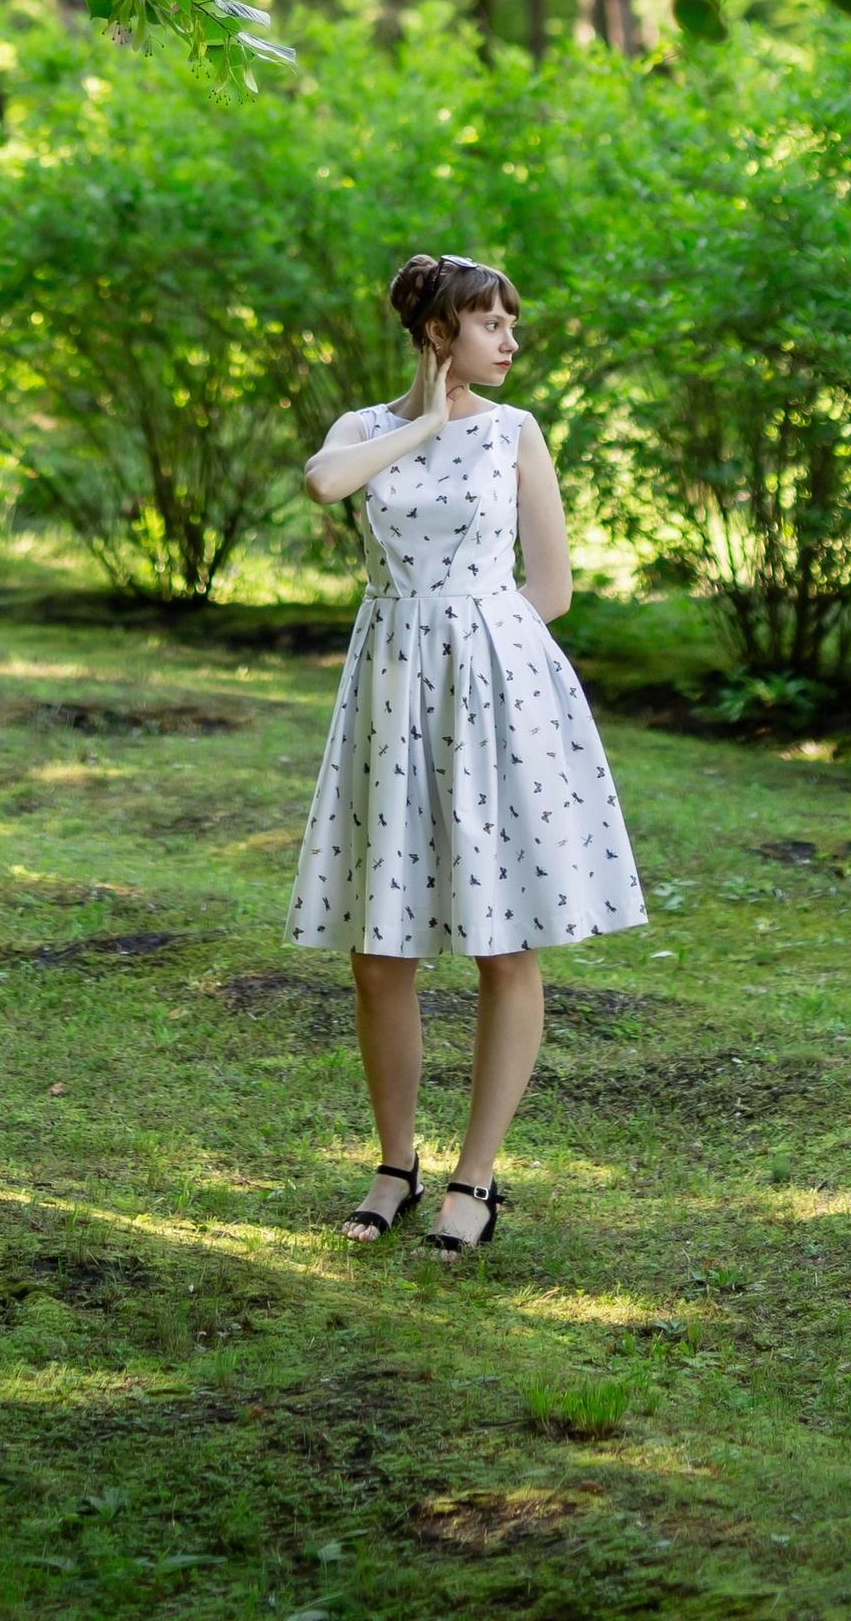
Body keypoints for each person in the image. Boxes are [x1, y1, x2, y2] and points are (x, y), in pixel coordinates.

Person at [285, 249, 646, 1254]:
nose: (511, 340)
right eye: (492, 325)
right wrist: (430, 422)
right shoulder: (366, 430)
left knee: (502, 937)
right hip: (388, 686)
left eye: (509, 323)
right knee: (377, 949)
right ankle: (392, 1165)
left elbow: (553, 587)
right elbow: (323, 486)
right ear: (440, 334)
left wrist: (488, 669)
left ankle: (474, 1182)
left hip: (494, 691)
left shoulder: (518, 434)